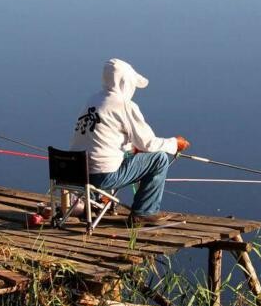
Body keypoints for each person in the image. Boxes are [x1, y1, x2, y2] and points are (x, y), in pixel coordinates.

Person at [70, 58, 190, 225]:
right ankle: (144, 212)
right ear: (125, 83)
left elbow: (105, 139)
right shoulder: (124, 105)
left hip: (76, 174)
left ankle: (91, 202)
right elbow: (147, 143)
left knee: (122, 154)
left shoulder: (93, 101)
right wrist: (174, 144)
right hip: (102, 177)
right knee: (159, 159)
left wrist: (133, 148)